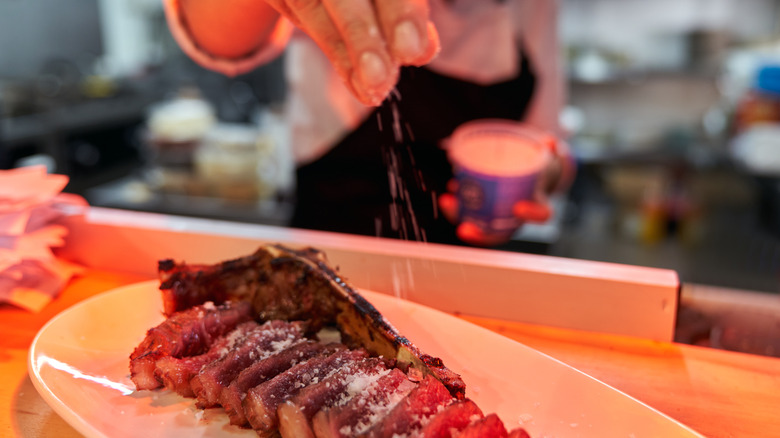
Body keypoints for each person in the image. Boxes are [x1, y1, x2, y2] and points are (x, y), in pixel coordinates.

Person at [163, 0, 574, 246]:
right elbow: (218, 38)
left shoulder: (529, 8)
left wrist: (543, 175)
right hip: (331, 240)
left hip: (464, 265)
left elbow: (552, 145)